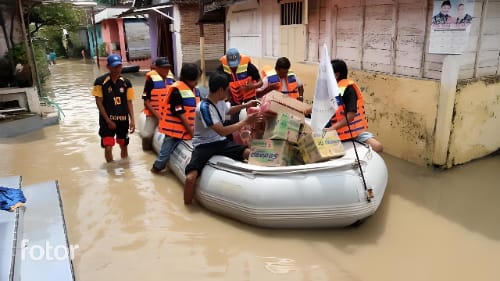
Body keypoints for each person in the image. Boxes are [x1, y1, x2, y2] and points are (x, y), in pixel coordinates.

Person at [183, 72, 260, 204]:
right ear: (220, 90)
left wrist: (246, 105)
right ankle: (187, 209)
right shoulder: (203, 108)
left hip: (220, 142)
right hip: (204, 145)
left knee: (249, 153)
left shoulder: (219, 101)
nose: (229, 92)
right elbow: (222, 131)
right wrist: (245, 122)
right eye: (227, 89)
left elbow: (228, 110)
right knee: (190, 178)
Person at [150, 63, 201, 174]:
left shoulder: (194, 90)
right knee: (164, 154)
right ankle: (156, 168)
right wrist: (191, 132)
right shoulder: (176, 90)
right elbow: (180, 113)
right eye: (196, 79)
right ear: (189, 78)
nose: (197, 81)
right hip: (174, 132)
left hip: (188, 130)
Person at [325, 59, 383, 153]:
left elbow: (350, 117)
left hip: (354, 131)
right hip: (336, 131)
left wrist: (331, 129)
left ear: (336, 75)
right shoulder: (332, 89)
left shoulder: (349, 90)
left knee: (378, 147)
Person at [91, 54, 136, 162]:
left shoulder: (126, 83)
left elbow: (129, 102)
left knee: (123, 145)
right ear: (108, 67)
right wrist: (108, 120)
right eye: (114, 66)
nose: (117, 69)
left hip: (123, 120)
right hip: (107, 122)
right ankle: (110, 169)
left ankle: (125, 168)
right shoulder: (100, 82)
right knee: (108, 147)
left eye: (119, 66)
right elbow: (99, 102)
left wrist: (132, 120)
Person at [217, 48, 262, 125]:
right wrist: (227, 94)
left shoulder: (249, 66)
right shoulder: (222, 68)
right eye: (231, 65)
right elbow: (218, 83)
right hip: (234, 96)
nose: (233, 67)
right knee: (234, 118)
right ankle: (235, 132)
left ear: (240, 59)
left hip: (249, 95)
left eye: (235, 64)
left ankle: (252, 132)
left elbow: (261, 82)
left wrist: (252, 87)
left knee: (253, 115)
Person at [140, 57, 175, 151]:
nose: (167, 70)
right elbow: (146, 101)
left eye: (168, 67)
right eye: (164, 68)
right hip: (153, 114)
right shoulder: (150, 81)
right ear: (157, 68)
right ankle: (146, 152)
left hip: (168, 114)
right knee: (147, 135)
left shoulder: (172, 80)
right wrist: (159, 117)